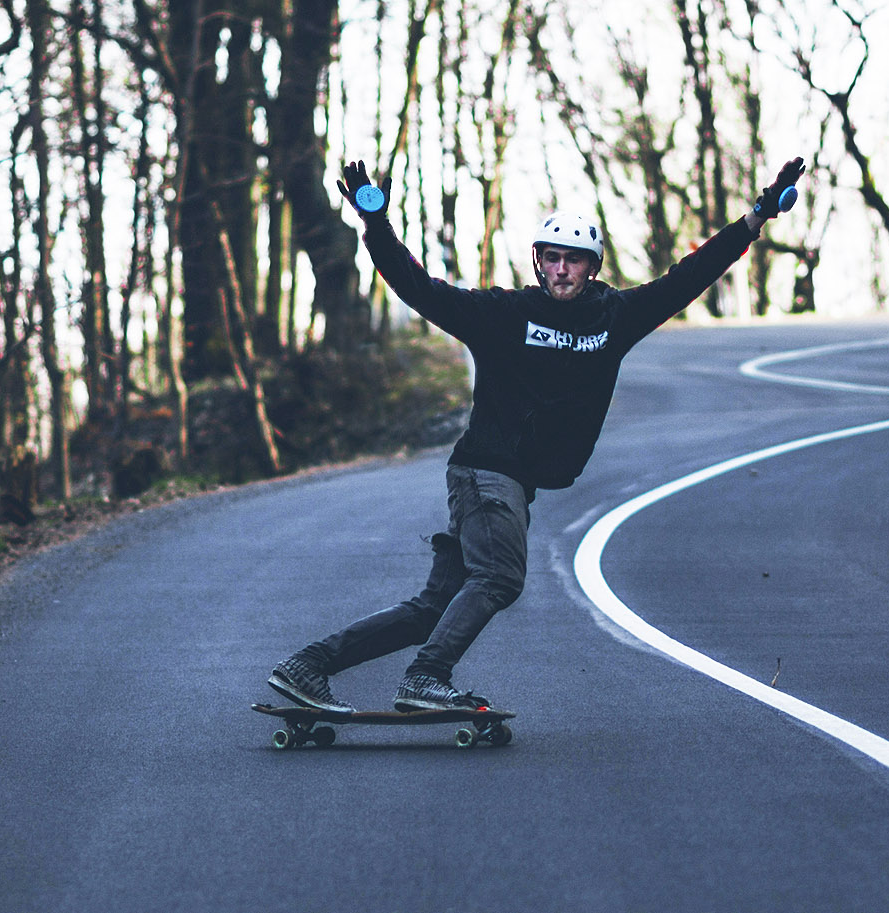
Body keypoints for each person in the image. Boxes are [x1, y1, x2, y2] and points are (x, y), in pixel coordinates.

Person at [267, 156, 807, 712]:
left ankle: (307, 666)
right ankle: (426, 677)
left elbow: (690, 275)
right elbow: (417, 287)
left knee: (437, 605)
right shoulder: (503, 314)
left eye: (574, 261)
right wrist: (374, 223)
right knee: (499, 576)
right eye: (552, 259)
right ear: (538, 263)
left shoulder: (614, 317)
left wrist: (758, 215)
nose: (562, 271)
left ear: (592, 268)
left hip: (514, 483)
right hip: (484, 471)